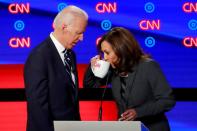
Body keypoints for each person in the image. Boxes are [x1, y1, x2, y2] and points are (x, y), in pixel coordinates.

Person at [83, 27, 176, 131]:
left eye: (107, 52)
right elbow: (90, 85)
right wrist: (92, 67)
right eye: (103, 53)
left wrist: (138, 112)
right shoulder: (114, 70)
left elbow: (168, 100)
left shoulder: (148, 66)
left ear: (121, 49)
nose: (105, 57)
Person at [24, 5, 88, 131]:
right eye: (78, 33)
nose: (82, 38)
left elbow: (71, 102)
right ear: (64, 27)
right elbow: (38, 109)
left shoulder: (71, 54)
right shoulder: (39, 57)